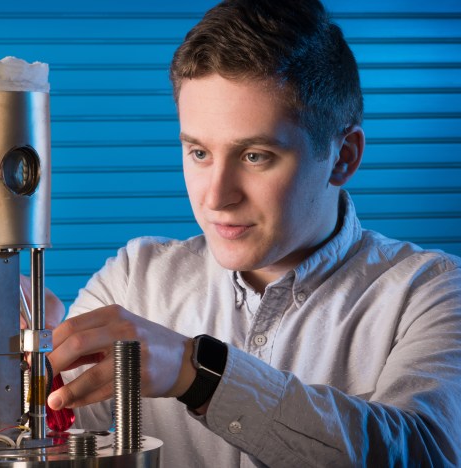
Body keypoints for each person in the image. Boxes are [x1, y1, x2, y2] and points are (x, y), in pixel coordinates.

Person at [28, 0, 461, 465]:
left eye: (255, 156)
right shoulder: (137, 276)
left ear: (343, 156)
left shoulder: (431, 291)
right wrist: (16, 367)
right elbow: (43, 421)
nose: (215, 197)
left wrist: (199, 373)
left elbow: (422, 452)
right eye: (199, 153)